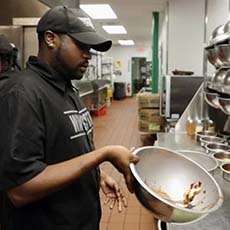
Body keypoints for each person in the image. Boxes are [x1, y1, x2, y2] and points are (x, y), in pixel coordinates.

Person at [0, 5, 139, 230]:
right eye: (81, 45)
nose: (88, 55)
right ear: (50, 39)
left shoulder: (67, 89)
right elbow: (21, 188)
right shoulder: (22, 94)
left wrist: (97, 174)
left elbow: (63, 152)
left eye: (90, 48)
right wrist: (103, 154)